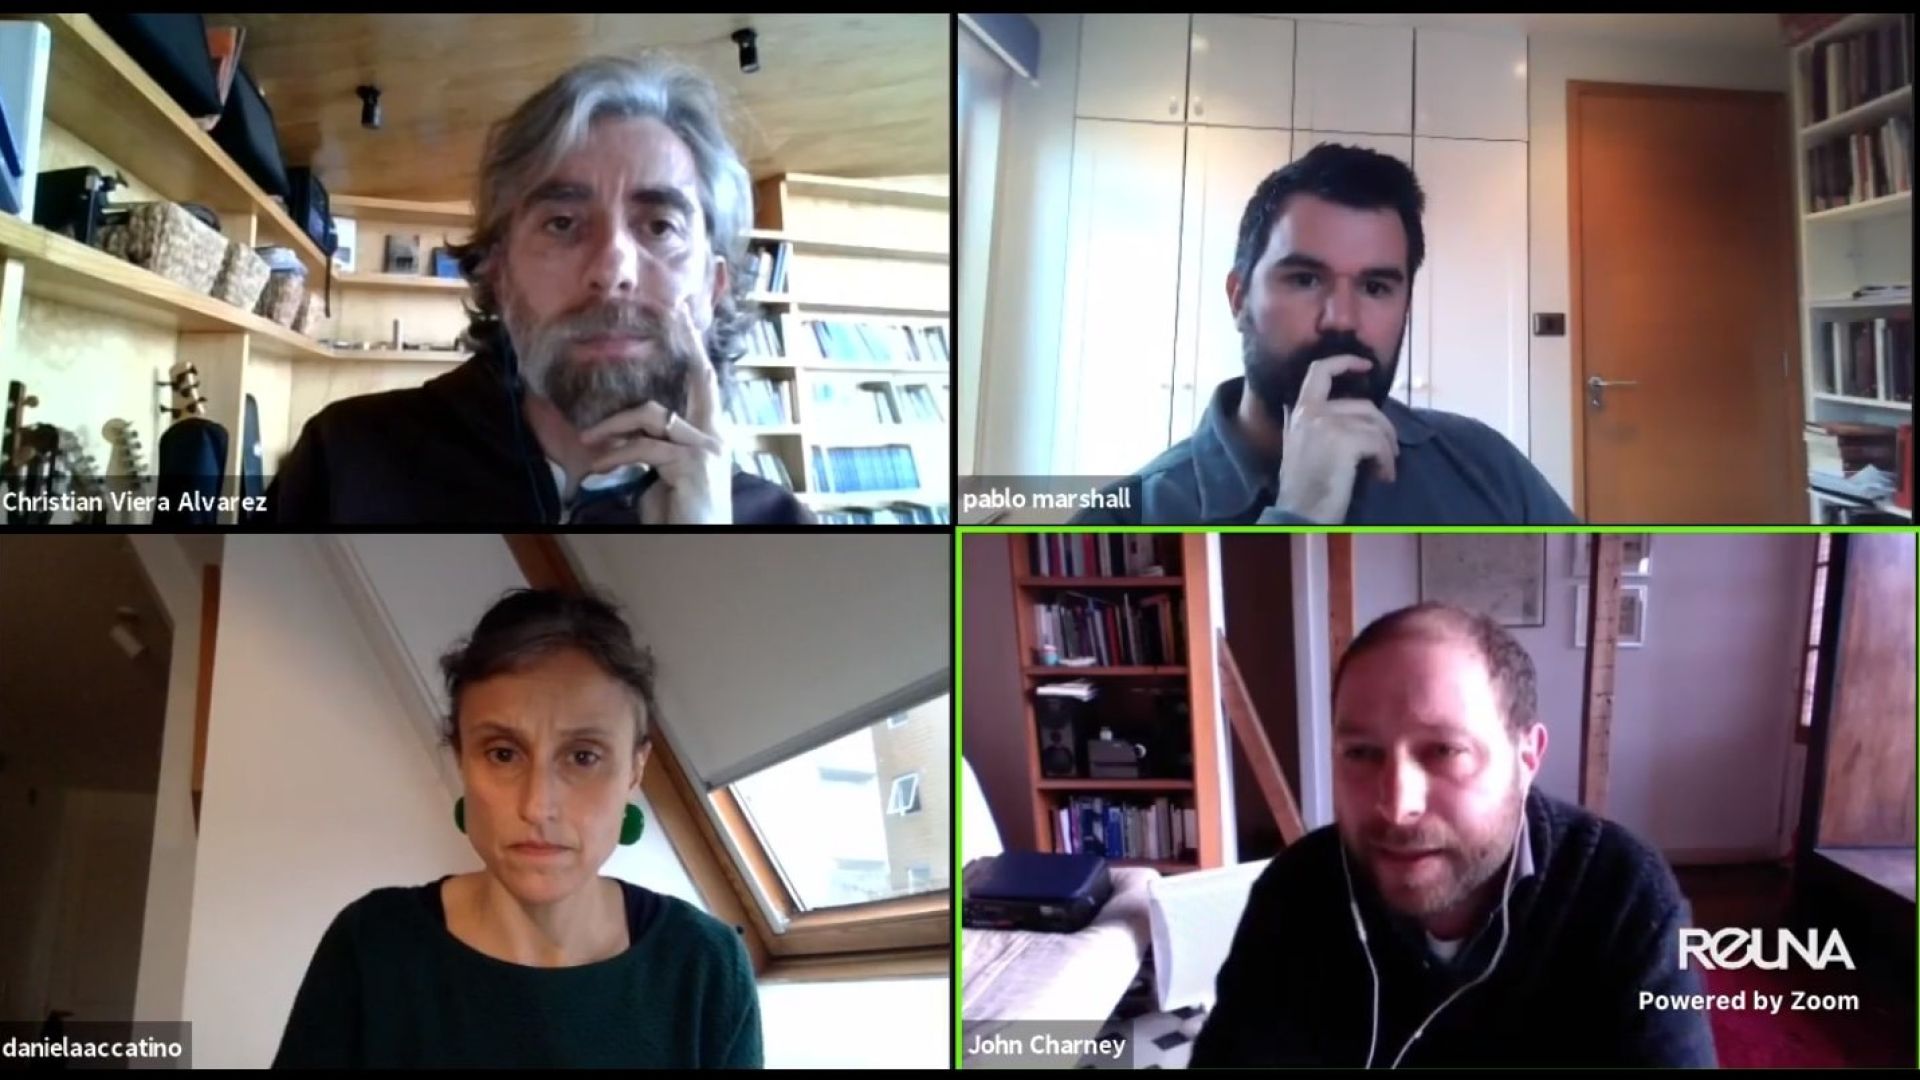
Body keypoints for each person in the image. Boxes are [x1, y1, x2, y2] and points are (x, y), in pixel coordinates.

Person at [269, 55, 810, 524]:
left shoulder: (782, 526)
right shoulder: (343, 460)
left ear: (714, 286)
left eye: (660, 226)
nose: (612, 270)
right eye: (562, 223)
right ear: (499, 276)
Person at [1190, 603, 1714, 1067]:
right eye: (1362, 753)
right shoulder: (1297, 890)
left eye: (1443, 751)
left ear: (1527, 757)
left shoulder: (1622, 893)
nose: (1397, 807)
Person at [274, 589, 763, 1068]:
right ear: (462, 759)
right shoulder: (372, 945)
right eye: (503, 754)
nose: (537, 806)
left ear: (636, 769)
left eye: (583, 756)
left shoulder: (705, 966)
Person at [1074, 144, 1577, 525]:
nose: (1342, 319)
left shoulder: (1486, 465)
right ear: (1238, 298)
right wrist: (1300, 514)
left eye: (1376, 287)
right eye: (1305, 280)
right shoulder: (1129, 517)